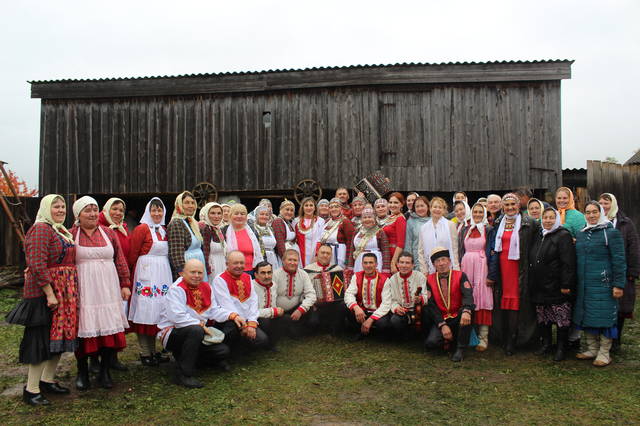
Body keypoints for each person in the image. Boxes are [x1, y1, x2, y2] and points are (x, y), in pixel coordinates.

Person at [6, 195, 78, 406]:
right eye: (56, 206)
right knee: (40, 340)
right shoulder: (40, 230)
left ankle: (47, 380)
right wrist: (49, 293)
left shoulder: (59, 230)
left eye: (63, 206)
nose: (60, 209)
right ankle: (31, 389)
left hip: (63, 293)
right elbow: (36, 264)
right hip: (44, 295)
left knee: (57, 339)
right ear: (46, 208)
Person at [70, 196, 130, 390]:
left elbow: (119, 259)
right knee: (84, 329)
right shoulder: (70, 234)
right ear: (78, 214)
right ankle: (83, 372)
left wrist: (125, 283)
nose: (92, 214)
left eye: (95, 210)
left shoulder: (108, 233)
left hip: (108, 287)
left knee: (108, 327)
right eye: (87, 210)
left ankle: (104, 371)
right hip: (84, 288)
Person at [157, 259, 232, 388]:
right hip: (174, 333)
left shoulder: (206, 287)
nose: (197, 276)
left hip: (198, 332)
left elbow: (214, 310)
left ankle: (193, 360)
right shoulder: (176, 289)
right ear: (182, 273)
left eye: (200, 272)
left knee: (223, 351)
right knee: (195, 330)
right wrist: (201, 325)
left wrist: (231, 315)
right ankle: (183, 374)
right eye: (192, 272)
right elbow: (177, 317)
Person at [574, 202, 626, 367]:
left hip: (603, 283)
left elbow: (619, 260)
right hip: (585, 284)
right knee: (587, 315)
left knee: (604, 317)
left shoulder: (610, 233)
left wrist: (618, 284)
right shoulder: (581, 234)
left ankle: (604, 353)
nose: (591, 215)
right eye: (588, 213)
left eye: (594, 212)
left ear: (601, 213)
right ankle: (592, 348)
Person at [487, 193, 540, 355]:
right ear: (503, 207)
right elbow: (494, 249)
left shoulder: (529, 223)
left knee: (519, 305)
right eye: (507, 205)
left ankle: (515, 339)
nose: (510, 208)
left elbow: (534, 249)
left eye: (513, 204)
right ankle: (505, 337)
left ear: (519, 205)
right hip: (503, 268)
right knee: (503, 304)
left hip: (520, 268)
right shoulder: (498, 223)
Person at [127, 197, 173, 366]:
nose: (157, 213)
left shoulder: (163, 229)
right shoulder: (142, 229)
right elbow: (133, 253)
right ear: (148, 211)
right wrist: (133, 275)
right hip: (146, 273)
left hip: (162, 273)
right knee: (145, 311)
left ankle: (154, 351)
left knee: (158, 312)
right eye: (153, 210)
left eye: (159, 210)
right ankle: (145, 352)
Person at [528, 207, 576, 361]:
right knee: (544, 318)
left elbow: (568, 263)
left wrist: (566, 284)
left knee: (561, 318)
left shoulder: (563, 235)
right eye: (545, 218)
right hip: (540, 285)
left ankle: (562, 347)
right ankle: (547, 344)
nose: (548, 220)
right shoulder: (540, 234)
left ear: (557, 219)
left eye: (551, 218)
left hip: (556, 285)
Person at [599, 193, 639, 351]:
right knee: (604, 305)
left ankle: (616, 340)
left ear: (613, 204)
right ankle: (604, 338)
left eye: (606, 202)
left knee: (620, 306)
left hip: (621, 270)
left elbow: (634, 248)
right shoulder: (596, 222)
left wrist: (633, 271)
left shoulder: (624, 223)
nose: (603, 206)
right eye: (600, 202)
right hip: (602, 271)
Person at [96, 198, 131, 373]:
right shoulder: (99, 227)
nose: (117, 213)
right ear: (106, 210)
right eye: (114, 209)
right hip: (101, 279)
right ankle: (94, 358)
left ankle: (112, 356)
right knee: (98, 319)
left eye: (120, 210)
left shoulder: (123, 228)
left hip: (119, 278)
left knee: (116, 319)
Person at [211, 251, 270, 351]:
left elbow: (253, 301)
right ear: (227, 264)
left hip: (246, 320)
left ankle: (242, 346)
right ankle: (233, 349)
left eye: (242, 263)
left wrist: (251, 323)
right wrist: (244, 326)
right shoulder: (220, 280)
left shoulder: (247, 277)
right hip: (230, 321)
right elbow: (227, 306)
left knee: (263, 340)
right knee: (233, 327)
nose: (239, 266)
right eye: (235, 263)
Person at [423, 247, 474, 362]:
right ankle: (449, 341)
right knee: (431, 343)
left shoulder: (461, 275)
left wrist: (466, 310)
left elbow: (468, 295)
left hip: (459, 317)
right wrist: (442, 325)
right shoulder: (429, 280)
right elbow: (431, 306)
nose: (441, 264)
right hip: (442, 318)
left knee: (466, 312)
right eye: (437, 261)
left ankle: (460, 348)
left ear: (449, 261)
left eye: (443, 259)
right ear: (434, 265)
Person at [458, 203, 493, 352]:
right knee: (468, 296)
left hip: (482, 266)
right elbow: (460, 249)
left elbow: (492, 250)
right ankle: (468, 336)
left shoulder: (488, 229)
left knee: (482, 298)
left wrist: (491, 272)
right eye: (475, 212)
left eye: (480, 212)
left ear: (484, 213)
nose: (477, 214)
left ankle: (483, 337)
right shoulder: (465, 229)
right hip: (467, 265)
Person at [344, 253, 392, 340]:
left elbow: (386, 304)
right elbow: (348, 294)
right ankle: (358, 331)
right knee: (346, 307)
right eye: (365, 263)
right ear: (362, 264)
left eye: (371, 263)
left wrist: (371, 319)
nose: (368, 265)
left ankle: (371, 331)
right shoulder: (356, 276)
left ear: (376, 264)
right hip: (362, 311)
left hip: (377, 312)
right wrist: (356, 307)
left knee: (383, 324)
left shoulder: (385, 279)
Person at [272, 250, 317, 338]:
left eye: (295, 260)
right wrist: (276, 311)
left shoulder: (303, 274)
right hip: (280, 312)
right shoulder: (275, 275)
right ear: (283, 261)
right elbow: (271, 296)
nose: (292, 263)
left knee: (314, 321)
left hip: (297, 309)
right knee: (294, 333)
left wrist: (301, 309)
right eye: (290, 260)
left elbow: (311, 294)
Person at [304, 244, 347, 335]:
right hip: (314, 304)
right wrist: (311, 304)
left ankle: (335, 329)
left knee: (342, 305)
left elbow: (343, 291)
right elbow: (302, 291)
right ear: (317, 254)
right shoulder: (307, 270)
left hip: (333, 305)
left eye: (328, 253)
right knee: (313, 323)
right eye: (322, 252)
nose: (325, 255)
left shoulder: (337, 269)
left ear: (331, 256)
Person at [385, 252, 428, 340]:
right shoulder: (392, 279)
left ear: (413, 265)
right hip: (403, 310)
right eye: (401, 262)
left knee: (428, 314)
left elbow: (426, 294)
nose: (404, 265)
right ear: (397, 264)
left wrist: (420, 299)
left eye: (407, 263)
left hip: (418, 309)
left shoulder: (420, 276)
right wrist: (397, 308)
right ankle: (405, 335)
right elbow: (391, 300)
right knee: (395, 320)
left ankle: (422, 334)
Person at [167, 191, 208, 281]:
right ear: (179, 205)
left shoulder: (192, 222)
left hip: (197, 264)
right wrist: (182, 271)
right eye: (187, 203)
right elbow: (175, 252)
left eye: (193, 203)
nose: (191, 206)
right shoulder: (176, 223)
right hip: (187, 267)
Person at [346, 207, 391, 278]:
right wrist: (350, 267)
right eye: (365, 217)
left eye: (370, 217)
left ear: (374, 218)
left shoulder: (380, 232)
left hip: (376, 261)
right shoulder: (356, 232)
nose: (367, 219)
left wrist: (385, 269)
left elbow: (386, 252)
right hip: (359, 261)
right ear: (361, 219)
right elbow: (352, 251)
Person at [418, 197, 459, 275]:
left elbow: (454, 248)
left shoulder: (450, 225)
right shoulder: (424, 228)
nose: (437, 209)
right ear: (430, 208)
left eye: (440, 207)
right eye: (435, 207)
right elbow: (421, 251)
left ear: (444, 210)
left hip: (448, 266)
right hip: (430, 268)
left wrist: (456, 267)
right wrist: (424, 269)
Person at [223, 203, 263, 275]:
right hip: (233, 271)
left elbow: (261, 249)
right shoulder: (224, 231)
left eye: (242, 214)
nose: (239, 216)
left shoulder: (252, 230)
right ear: (230, 216)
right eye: (236, 213)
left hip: (253, 270)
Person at [252, 261, 284, 350]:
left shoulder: (274, 285)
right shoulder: (251, 287)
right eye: (263, 273)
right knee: (266, 323)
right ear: (256, 275)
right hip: (253, 320)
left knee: (283, 318)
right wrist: (272, 311)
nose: (267, 276)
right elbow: (250, 312)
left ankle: (272, 343)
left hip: (268, 317)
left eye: (269, 272)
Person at [318, 198, 355, 269]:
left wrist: (348, 261)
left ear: (341, 209)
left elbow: (350, 243)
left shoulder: (345, 222)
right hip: (327, 254)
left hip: (340, 254)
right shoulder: (327, 222)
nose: (334, 209)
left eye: (336, 207)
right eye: (331, 207)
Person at [378, 193, 407, 274]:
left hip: (393, 254)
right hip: (385, 253)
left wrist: (393, 262)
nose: (392, 205)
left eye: (396, 202)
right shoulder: (390, 217)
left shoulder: (400, 219)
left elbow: (400, 244)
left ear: (401, 204)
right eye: (390, 202)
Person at [295, 197, 325, 267]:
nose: (309, 208)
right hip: (300, 255)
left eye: (311, 205)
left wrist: (317, 255)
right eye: (306, 205)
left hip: (315, 254)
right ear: (302, 207)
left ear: (315, 208)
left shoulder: (320, 221)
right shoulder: (296, 221)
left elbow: (321, 239)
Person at [200, 202, 227, 279]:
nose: (216, 216)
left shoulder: (218, 230)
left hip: (222, 265)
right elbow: (205, 252)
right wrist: (207, 270)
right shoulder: (205, 229)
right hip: (212, 268)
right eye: (212, 213)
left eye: (219, 213)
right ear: (206, 214)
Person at [405, 196, 430, 271]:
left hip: (432, 256)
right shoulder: (411, 222)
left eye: (422, 206)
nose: (420, 209)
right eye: (417, 206)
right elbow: (408, 244)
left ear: (428, 206)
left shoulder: (434, 220)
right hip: (417, 258)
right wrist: (408, 261)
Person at [272, 199, 299, 263]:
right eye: (287, 209)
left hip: (292, 255)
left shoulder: (288, 223)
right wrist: (285, 259)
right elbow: (280, 244)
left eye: (292, 210)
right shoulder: (278, 221)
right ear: (281, 210)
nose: (289, 212)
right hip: (285, 257)